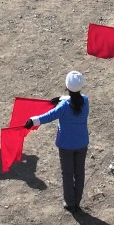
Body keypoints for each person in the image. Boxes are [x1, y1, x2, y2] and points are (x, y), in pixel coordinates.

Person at [24, 71, 89, 213]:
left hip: (66, 145)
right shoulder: (85, 100)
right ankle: (77, 201)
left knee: (67, 173)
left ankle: (70, 202)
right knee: (79, 172)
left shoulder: (64, 106)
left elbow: (49, 116)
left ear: (67, 87)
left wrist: (33, 121)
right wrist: (61, 98)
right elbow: (76, 98)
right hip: (82, 142)